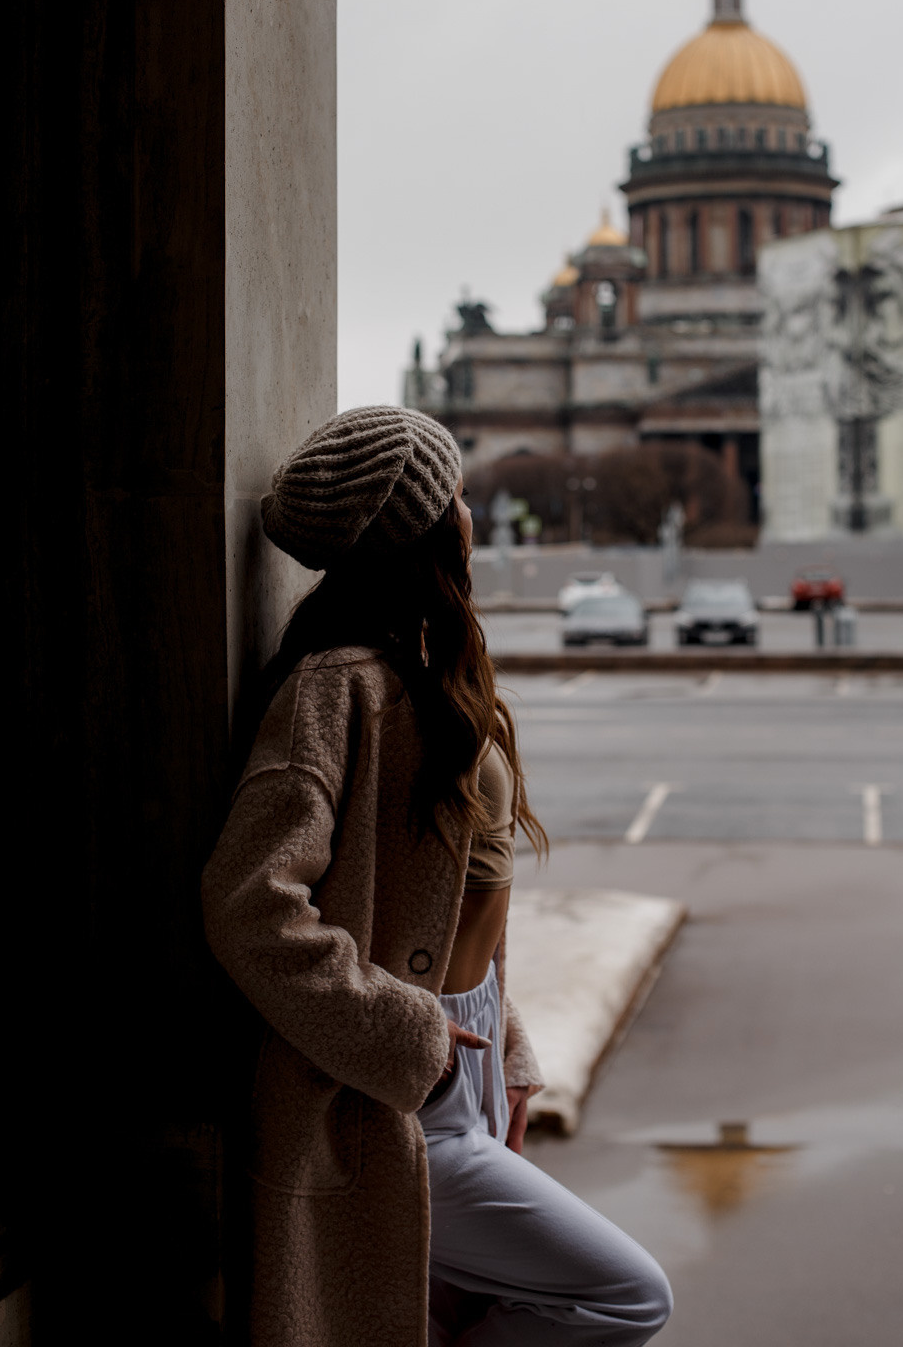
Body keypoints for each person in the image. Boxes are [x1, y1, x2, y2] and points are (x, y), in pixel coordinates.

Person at [202, 405, 673, 1347]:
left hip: (459, 1062)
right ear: (416, 527)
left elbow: (457, 904)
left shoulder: (422, 667)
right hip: (388, 1088)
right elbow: (249, 904)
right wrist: (404, 1029)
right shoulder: (338, 687)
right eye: (452, 490)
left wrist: (512, 1050)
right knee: (625, 1295)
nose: (467, 506)